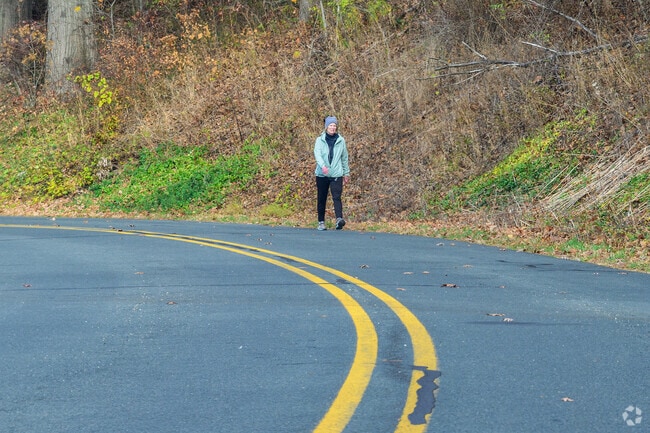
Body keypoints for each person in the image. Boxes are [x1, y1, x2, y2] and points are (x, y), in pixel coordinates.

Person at [314, 116, 350, 231]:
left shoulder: (341, 140)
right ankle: (321, 222)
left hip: (336, 173)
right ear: (326, 127)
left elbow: (344, 157)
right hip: (322, 174)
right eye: (331, 125)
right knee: (322, 197)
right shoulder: (320, 140)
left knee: (337, 197)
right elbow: (318, 155)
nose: (333, 127)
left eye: (334, 125)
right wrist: (323, 166)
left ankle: (339, 219)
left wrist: (346, 173)